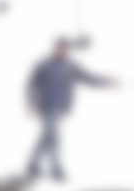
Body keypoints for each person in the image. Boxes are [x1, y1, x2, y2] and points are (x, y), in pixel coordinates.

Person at [26, 38, 116, 181]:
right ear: (55, 48)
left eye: (65, 49)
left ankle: (32, 164)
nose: (62, 51)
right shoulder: (45, 65)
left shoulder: (69, 66)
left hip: (59, 106)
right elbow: (32, 84)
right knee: (54, 136)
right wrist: (32, 103)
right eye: (59, 48)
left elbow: (88, 77)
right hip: (46, 105)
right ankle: (56, 169)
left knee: (47, 136)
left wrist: (106, 81)